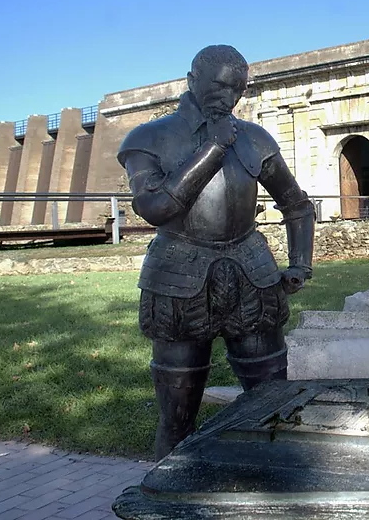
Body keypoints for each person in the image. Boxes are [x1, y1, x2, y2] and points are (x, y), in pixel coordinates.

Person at [117, 45, 316, 460]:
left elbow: (296, 205)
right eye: (219, 85)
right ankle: (166, 496)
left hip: (253, 274)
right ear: (192, 81)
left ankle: (272, 490)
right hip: (177, 275)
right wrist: (213, 148)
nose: (227, 96)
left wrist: (300, 263)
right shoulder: (149, 139)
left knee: (272, 408)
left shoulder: (255, 139)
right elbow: (157, 208)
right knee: (177, 419)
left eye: (237, 89)